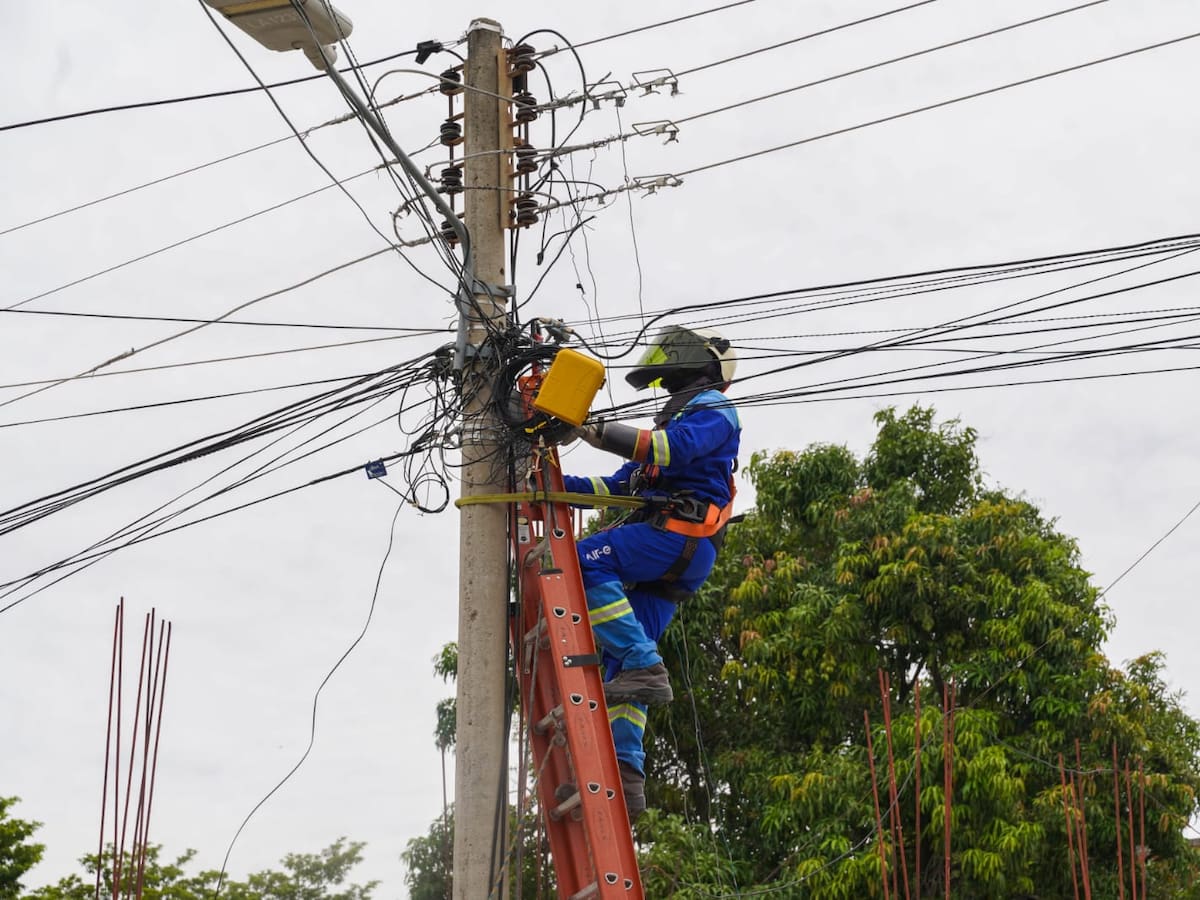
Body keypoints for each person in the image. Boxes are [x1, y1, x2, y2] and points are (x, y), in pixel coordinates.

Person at [563, 325, 740, 821]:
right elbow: (616, 486)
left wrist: (599, 432)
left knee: (578, 562)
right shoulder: (672, 419)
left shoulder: (713, 409)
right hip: (675, 548)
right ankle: (627, 773)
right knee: (624, 669)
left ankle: (645, 662)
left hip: (678, 536)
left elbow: (669, 450)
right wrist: (553, 480)